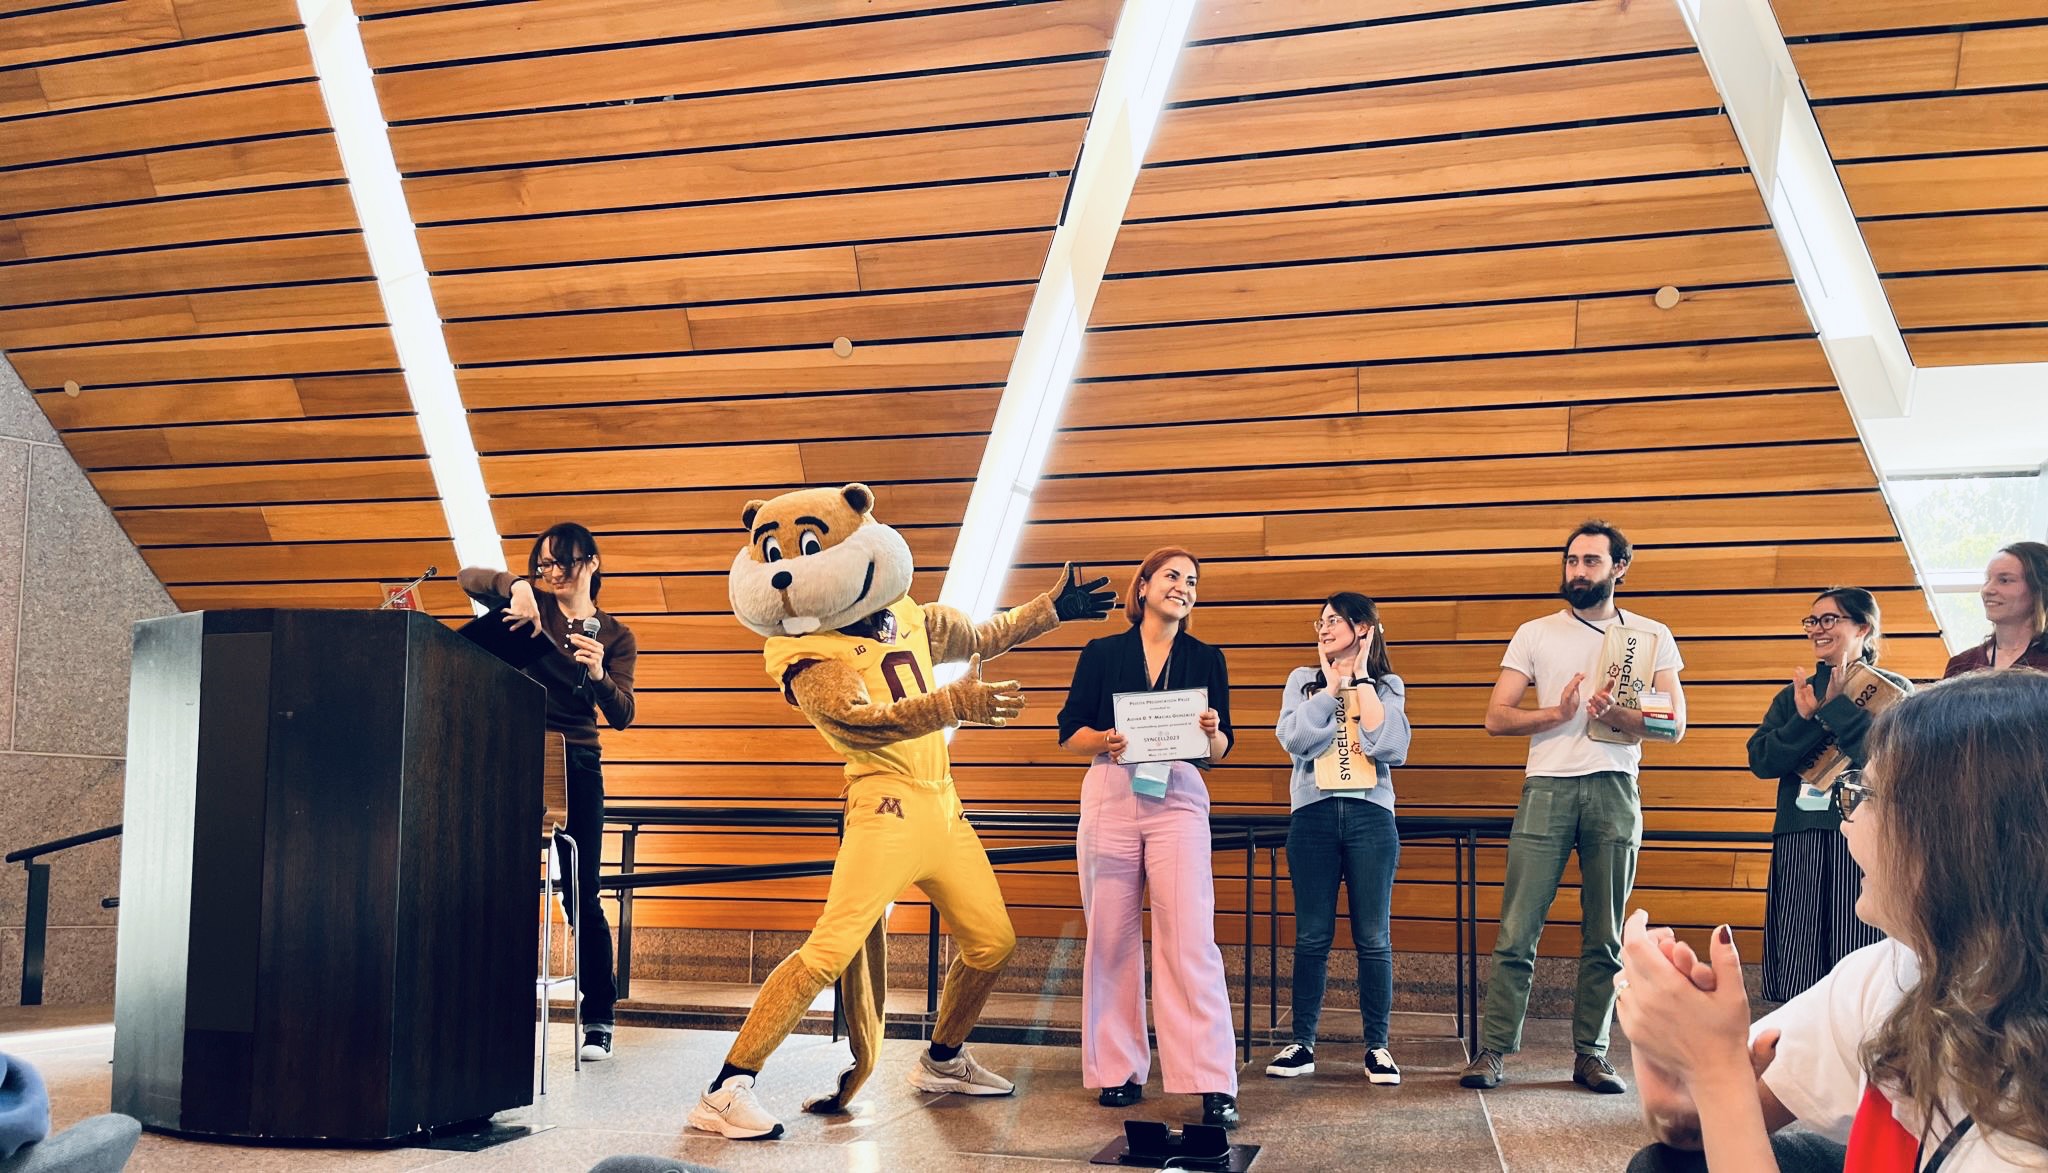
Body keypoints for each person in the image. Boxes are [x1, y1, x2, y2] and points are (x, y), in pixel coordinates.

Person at [693, 484, 1114, 1140]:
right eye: (774, 551)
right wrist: (951, 705)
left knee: (992, 940)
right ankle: (725, 1087)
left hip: (943, 808)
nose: (787, 566)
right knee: (829, 948)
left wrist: (1050, 609)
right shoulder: (806, 651)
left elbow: (980, 632)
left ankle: (943, 1058)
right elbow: (860, 722)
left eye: (808, 544)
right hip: (882, 806)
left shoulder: (907, 614)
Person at [1619, 669, 2048, 1172]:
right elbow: (1703, 1124)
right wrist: (1676, 1071)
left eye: (1865, 796)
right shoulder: (1893, 968)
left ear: (1960, 839)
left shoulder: (2023, 1135)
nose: (1847, 819)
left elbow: (1722, 1094)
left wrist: (1713, 1074)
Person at [1460, 521, 1686, 1094]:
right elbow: (1495, 716)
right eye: (1571, 561)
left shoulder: (1651, 634)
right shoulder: (1535, 632)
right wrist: (1555, 716)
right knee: (1517, 928)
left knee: (1604, 934)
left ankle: (1592, 1052)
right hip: (1547, 789)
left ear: (1619, 568)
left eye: (1590, 561)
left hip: (1614, 789)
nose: (1577, 571)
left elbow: (1674, 726)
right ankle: (1493, 1050)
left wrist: (1619, 717)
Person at [1058, 548, 1240, 1129]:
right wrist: (1106, 739)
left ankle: (1211, 1079)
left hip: (1178, 798)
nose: (1182, 587)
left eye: (1191, 581)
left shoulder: (1206, 658)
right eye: (1171, 576)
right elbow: (1070, 734)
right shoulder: (1102, 652)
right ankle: (1118, 1070)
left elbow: (1221, 750)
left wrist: (1212, 734)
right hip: (1111, 792)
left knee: (1190, 938)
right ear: (1143, 587)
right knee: (1110, 937)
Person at [461, 522, 638, 1062]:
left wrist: (601, 674)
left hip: (578, 759)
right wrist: (515, 585)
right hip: (516, 754)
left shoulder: (615, 634)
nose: (551, 574)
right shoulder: (528, 608)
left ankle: (600, 1017)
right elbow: (468, 576)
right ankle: (493, 1006)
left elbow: (624, 714)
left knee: (581, 890)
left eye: (561, 563)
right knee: (502, 886)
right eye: (543, 564)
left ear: (592, 564)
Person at [1265, 592, 1412, 1085]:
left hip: (1372, 817)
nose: (1324, 628)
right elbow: (1296, 742)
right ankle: (1302, 1043)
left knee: (1374, 937)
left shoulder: (1388, 685)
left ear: (1364, 628)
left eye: (1335, 620)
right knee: (1311, 936)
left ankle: (1378, 1047)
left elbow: (1390, 745)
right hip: (1313, 816)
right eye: (1321, 621)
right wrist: (1328, 692)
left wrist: (1362, 680)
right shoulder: (1301, 681)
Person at [1747, 588, 1906, 1003]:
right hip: (1801, 831)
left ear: (1863, 627)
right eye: (1812, 621)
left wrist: (1835, 709)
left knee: (1860, 943)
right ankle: (1795, 1045)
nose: (1818, 629)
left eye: (1830, 619)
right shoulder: (1794, 694)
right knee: (1800, 947)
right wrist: (1804, 720)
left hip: (1869, 834)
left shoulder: (1894, 692)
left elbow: (1891, 758)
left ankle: (1864, 1040)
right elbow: (1762, 761)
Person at [1942, 541, 2048, 677]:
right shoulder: (1961, 666)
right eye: (1987, 579)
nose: (1987, 590)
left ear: (2039, 589)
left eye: (2004, 580)